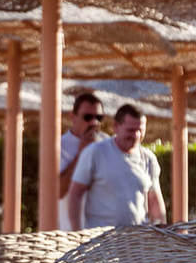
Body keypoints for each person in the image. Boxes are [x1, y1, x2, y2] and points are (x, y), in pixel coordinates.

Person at [67, 103, 165, 229]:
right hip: (100, 239)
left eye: (140, 130)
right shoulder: (95, 152)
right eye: (131, 130)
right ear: (116, 127)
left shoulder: (149, 158)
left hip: (137, 240)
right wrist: (76, 231)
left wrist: (161, 234)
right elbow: (75, 194)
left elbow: (155, 201)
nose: (136, 135)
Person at [58, 91, 106, 230]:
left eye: (99, 117)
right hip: (70, 230)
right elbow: (59, 191)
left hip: (103, 231)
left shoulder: (108, 143)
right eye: (87, 117)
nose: (94, 122)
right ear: (73, 117)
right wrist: (82, 152)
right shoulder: (59, 145)